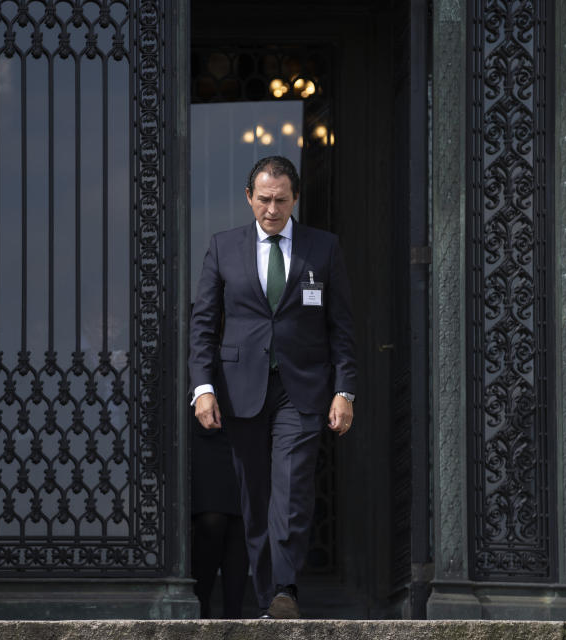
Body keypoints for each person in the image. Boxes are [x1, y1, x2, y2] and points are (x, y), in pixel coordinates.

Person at [188, 156, 356, 619]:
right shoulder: (224, 248)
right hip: (240, 390)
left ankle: (285, 588)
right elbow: (203, 325)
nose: (272, 208)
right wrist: (202, 387)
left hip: (302, 390)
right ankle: (269, 599)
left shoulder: (323, 249)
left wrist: (346, 390)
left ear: (295, 198)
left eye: (281, 200)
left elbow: (341, 326)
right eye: (264, 199)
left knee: (292, 488)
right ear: (249, 198)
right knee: (254, 497)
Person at [190, 420, 248, 618]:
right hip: (203, 422)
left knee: (241, 524)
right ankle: (200, 610)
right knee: (211, 520)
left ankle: (234, 619)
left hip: (248, 424)